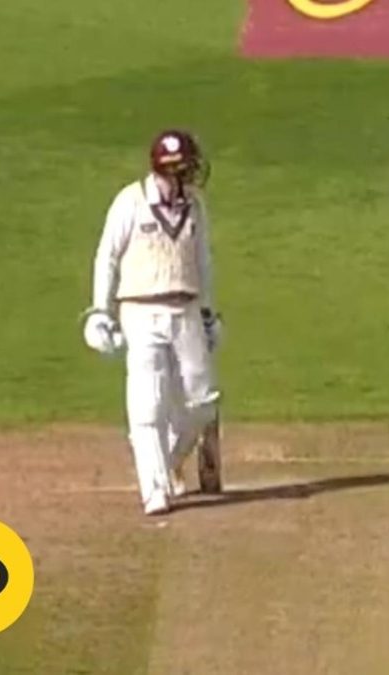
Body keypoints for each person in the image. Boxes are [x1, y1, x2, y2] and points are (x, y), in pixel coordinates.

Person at [82, 129, 223, 515]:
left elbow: (204, 261)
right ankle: (154, 489)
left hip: (187, 310)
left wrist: (209, 312)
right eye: (186, 168)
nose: (193, 174)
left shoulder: (195, 205)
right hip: (141, 311)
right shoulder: (131, 202)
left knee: (203, 401)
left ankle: (171, 460)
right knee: (148, 402)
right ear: (170, 170)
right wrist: (99, 311)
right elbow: (107, 256)